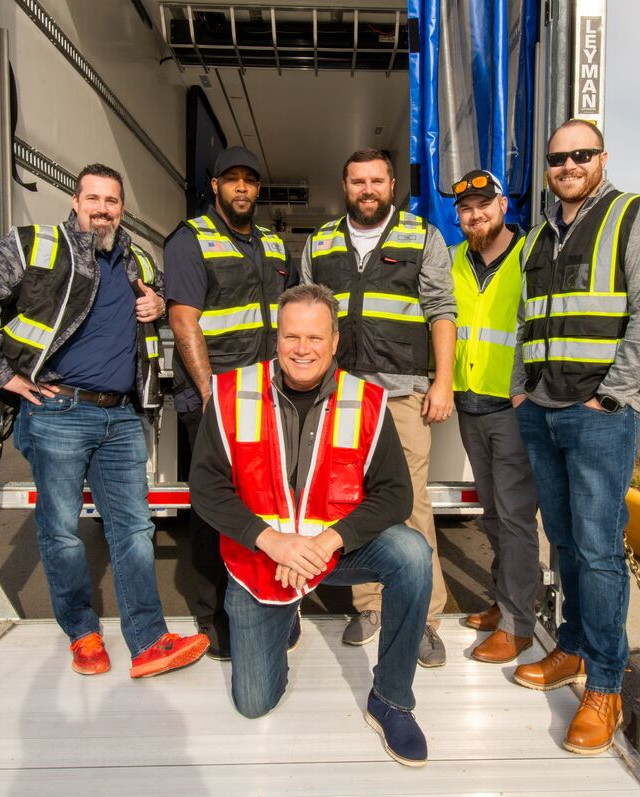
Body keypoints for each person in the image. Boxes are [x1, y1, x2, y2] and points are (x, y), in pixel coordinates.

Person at [0, 163, 208, 678]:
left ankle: (149, 641)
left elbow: (149, 313)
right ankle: (83, 634)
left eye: (111, 201)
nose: (102, 209)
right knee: (63, 531)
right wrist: (5, 377)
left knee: (135, 530)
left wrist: (156, 303)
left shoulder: (136, 259)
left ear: (122, 208)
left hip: (120, 416)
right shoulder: (36, 245)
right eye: (93, 198)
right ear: (75, 201)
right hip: (58, 411)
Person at [188, 284, 433, 767]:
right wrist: (273, 542)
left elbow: (395, 495)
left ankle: (392, 700)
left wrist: (328, 540)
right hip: (261, 563)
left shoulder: (366, 401)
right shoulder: (232, 393)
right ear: (275, 339)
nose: (302, 349)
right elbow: (206, 489)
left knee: (413, 555)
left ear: (335, 341)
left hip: (331, 552)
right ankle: (285, 615)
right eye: (291, 337)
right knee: (254, 704)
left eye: (315, 338)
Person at [509, 120, 640, 754]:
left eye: (581, 155)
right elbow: (529, 321)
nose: (569, 165)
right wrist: (522, 387)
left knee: (600, 549)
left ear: (602, 157)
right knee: (565, 541)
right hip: (543, 410)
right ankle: (574, 649)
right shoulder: (537, 239)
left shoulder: (636, 218)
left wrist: (613, 394)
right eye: (558, 158)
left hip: (598, 415)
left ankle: (605, 686)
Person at [300, 148, 455, 667]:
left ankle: (425, 620)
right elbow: (305, 316)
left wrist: (443, 382)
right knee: (347, 500)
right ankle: (368, 606)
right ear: (344, 185)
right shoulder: (321, 241)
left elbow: (441, 311)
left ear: (393, 185)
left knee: (411, 502)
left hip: (403, 390)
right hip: (339, 394)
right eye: (357, 181)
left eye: (377, 180)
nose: (367, 189)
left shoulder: (422, 236)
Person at [164, 146, 296, 659]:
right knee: (214, 509)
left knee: (267, 503)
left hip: (267, 399)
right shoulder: (190, 240)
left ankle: (267, 603)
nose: (241, 188)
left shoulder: (273, 245)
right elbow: (183, 321)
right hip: (215, 400)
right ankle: (212, 616)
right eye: (231, 179)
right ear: (214, 186)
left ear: (258, 189)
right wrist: (208, 394)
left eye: (250, 180)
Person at [447, 169, 540, 664]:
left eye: (483, 204)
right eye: (465, 209)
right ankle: (505, 601)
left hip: (512, 407)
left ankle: (518, 623)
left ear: (503, 205)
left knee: (515, 517)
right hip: (469, 404)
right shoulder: (454, 259)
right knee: (491, 514)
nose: (475, 214)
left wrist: (527, 389)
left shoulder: (528, 256)